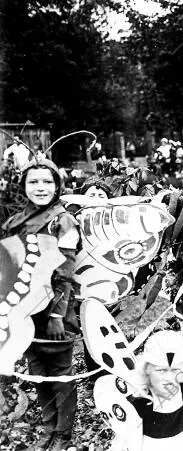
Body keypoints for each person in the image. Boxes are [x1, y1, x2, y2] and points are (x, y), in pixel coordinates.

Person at [1, 158, 80, 451]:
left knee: (60, 372)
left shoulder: (63, 220)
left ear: (57, 185)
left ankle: (64, 433)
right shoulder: (14, 222)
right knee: (37, 371)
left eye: (47, 181)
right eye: (33, 181)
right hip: (23, 310)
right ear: (23, 186)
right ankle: (48, 428)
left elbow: (66, 271)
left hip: (55, 310)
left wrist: (58, 315)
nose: (41, 187)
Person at [128, 331, 183, 451]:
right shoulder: (139, 402)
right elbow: (134, 446)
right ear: (147, 370)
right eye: (161, 371)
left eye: (175, 370)